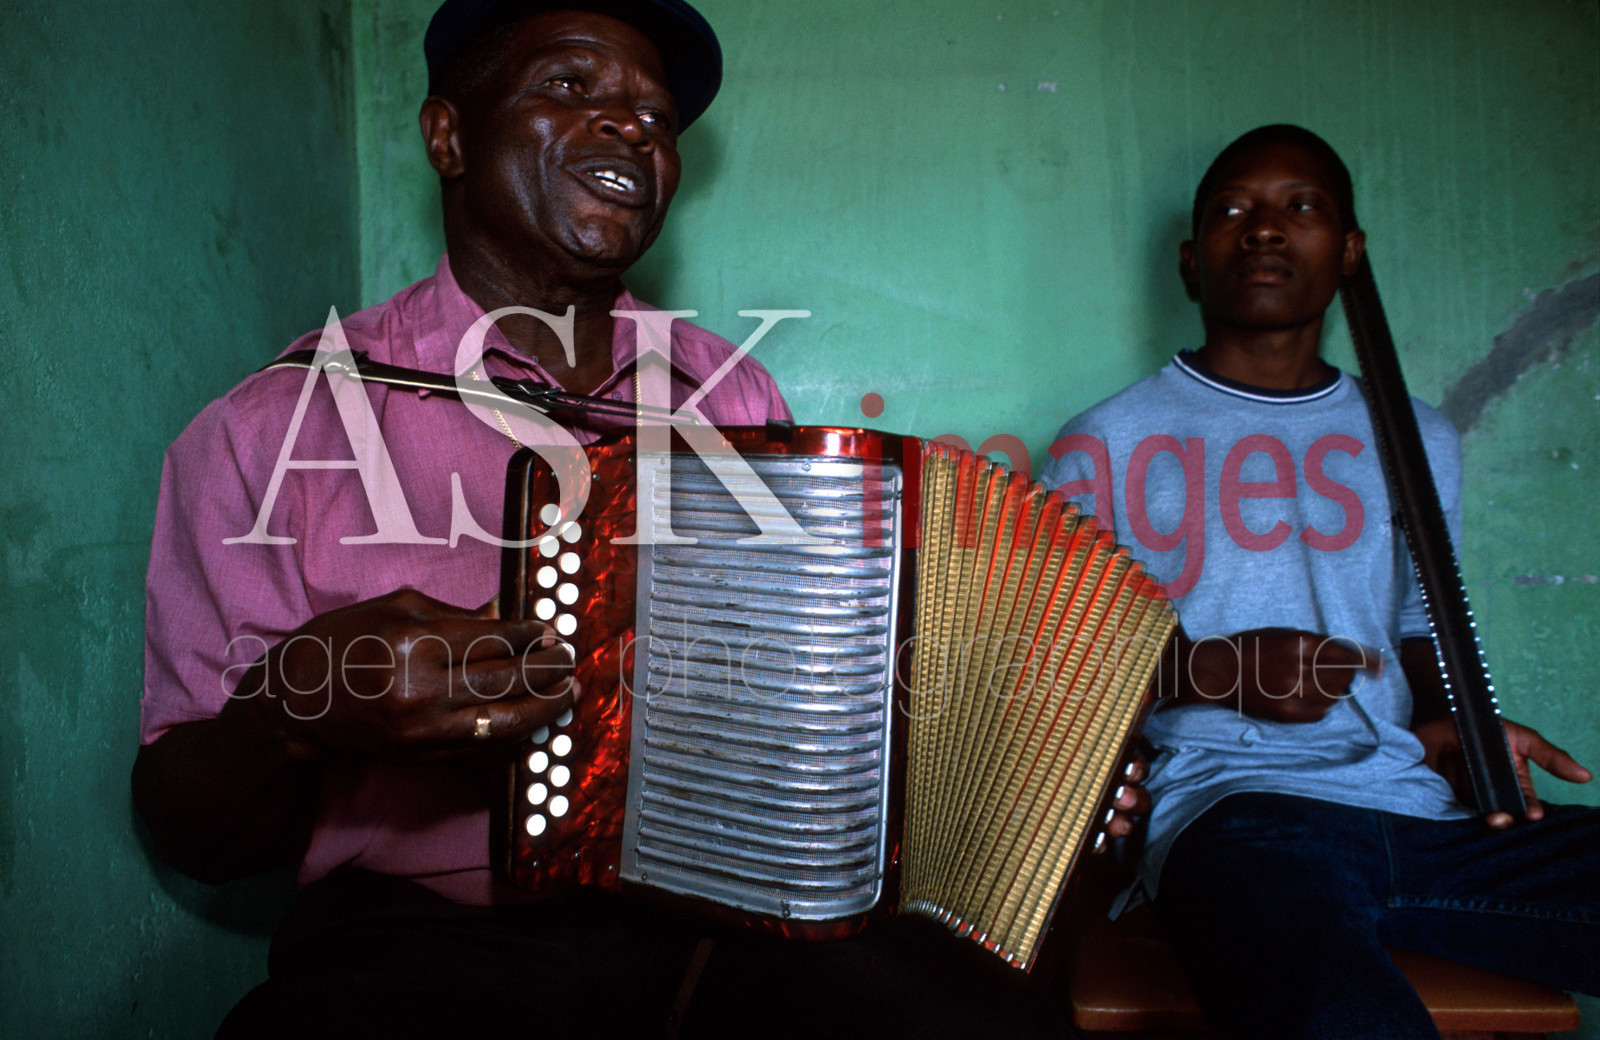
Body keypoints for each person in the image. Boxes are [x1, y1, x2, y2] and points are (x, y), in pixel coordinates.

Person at [134, 3, 1091, 1035]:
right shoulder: (278, 422)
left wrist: (1039, 765)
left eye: (656, 117)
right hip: (418, 938)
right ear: (448, 137)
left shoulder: (734, 397)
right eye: (568, 85)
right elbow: (190, 826)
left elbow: (817, 714)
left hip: (721, 923)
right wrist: (294, 709)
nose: (633, 126)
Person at [1040, 124, 1600, 1040]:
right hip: (1232, 815)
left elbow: (1416, 626)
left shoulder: (1420, 438)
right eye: (1233, 209)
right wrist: (1210, 671)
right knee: (1341, 1017)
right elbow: (1060, 670)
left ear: (1349, 252)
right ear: (1190, 262)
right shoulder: (1105, 440)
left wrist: (1460, 731)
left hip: (1421, 808)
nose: (1264, 228)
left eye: (1300, 207)